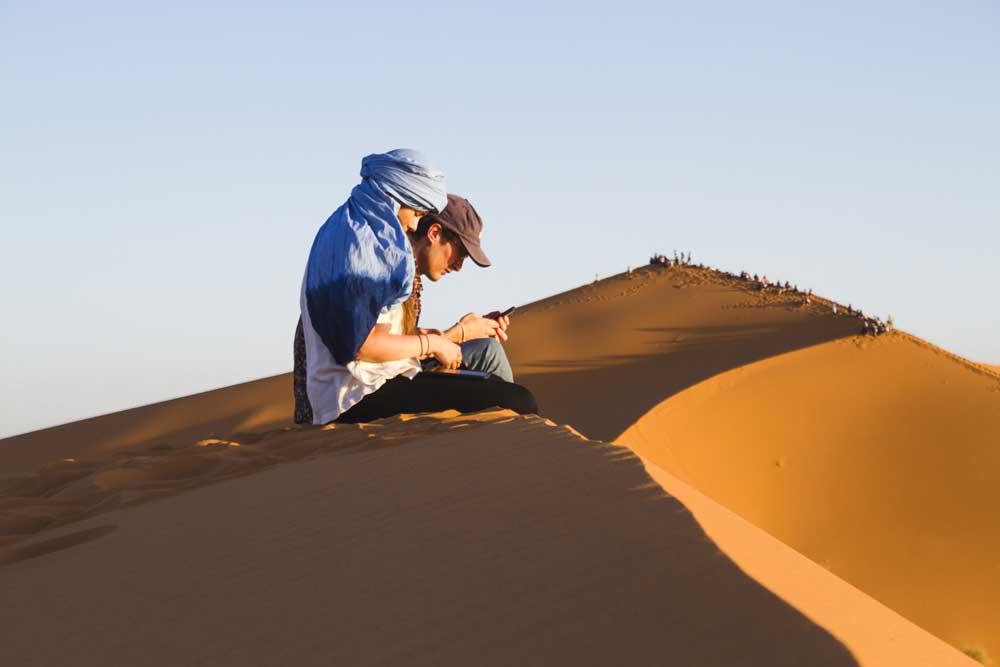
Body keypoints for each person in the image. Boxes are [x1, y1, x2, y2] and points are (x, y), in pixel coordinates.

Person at [293, 149, 537, 426]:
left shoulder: (365, 234)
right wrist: (437, 341)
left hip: (373, 379)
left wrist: (445, 337)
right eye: (418, 212)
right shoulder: (366, 246)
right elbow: (363, 345)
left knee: (488, 360)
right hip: (355, 396)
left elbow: (373, 331)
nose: (415, 224)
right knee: (517, 401)